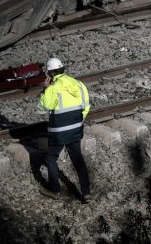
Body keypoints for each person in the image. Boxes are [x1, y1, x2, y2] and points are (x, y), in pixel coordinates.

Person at [37, 57, 91, 203]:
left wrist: (45, 89)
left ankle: (55, 190)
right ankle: (86, 192)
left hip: (59, 132)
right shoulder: (78, 84)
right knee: (78, 159)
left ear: (50, 74)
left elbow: (44, 107)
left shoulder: (54, 87)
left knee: (50, 158)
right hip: (76, 129)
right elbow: (86, 106)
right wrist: (77, 122)